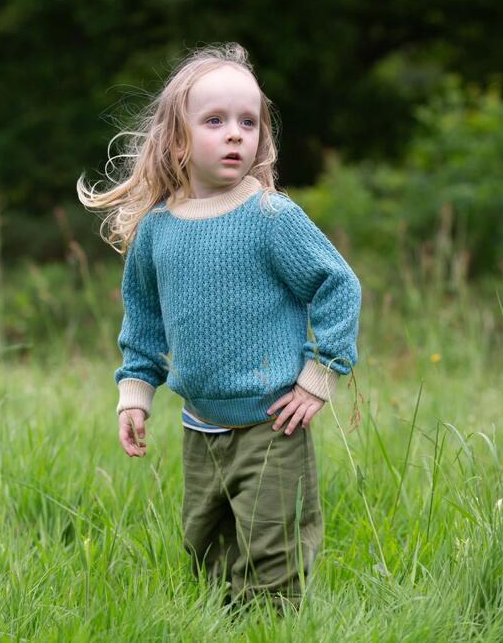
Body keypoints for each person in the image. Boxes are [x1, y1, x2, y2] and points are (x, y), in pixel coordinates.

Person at [77, 42, 361, 612]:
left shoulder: (271, 217)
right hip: (199, 428)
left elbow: (337, 284)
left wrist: (320, 372)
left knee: (272, 551)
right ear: (176, 139)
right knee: (204, 545)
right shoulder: (158, 230)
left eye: (248, 122)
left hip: (271, 424)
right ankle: (220, 622)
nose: (236, 134)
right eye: (215, 121)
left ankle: (273, 624)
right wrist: (134, 392)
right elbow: (145, 320)